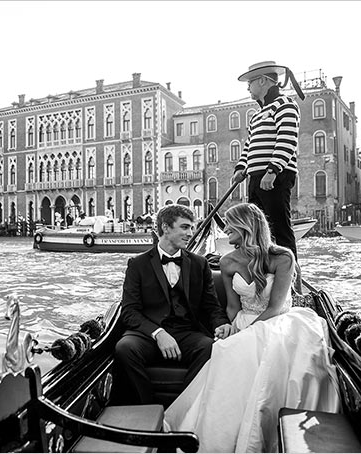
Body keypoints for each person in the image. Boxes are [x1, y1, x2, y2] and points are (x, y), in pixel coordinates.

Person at [164, 203, 339, 453]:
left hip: (280, 322)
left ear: (245, 226)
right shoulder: (227, 262)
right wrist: (228, 328)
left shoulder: (283, 258)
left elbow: (276, 307)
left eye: (230, 226)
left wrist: (248, 333)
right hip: (244, 321)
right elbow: (232, 309)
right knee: (229, 351)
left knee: (268, 352)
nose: (226, 232)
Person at [112, 204, 232, 405]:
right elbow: (130, 311)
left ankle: (182, 408)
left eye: (192, 228)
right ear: (166, 228)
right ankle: (148, 408)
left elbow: (211, 306)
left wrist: (221, 323)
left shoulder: (199, 264)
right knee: (125, 348)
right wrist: (158, 333)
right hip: (148, 334)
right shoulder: (137, 264)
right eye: (185, 227)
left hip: (187, 332)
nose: (190, 233)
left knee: (209, 347)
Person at [231, 61, 306, 290]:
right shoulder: (257, 115)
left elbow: (287, 140)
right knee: (257, 231)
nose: (248, 88)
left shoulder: (285, 105)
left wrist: (272, 170)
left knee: (279, 229)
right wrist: (240, 167)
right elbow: (249, 145)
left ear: (263, 80)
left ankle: (292, 282)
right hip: (255, 177)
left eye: (250, 83)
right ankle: (264, 277)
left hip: (274, 176)